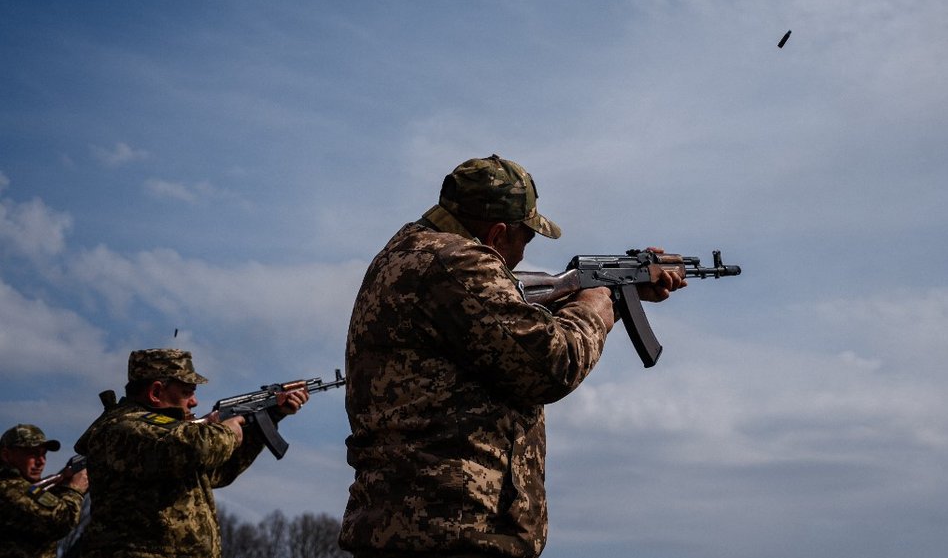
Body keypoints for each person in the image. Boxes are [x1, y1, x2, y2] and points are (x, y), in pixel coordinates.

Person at [339, 154, 685, 558]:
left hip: (415, 523)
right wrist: (595, 306)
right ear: (498, 233)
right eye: (527, 238)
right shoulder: (458, 262)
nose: (522, 254)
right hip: (452, 528)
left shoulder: (409, 254)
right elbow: (552, 364)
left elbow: (495, 334)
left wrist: (617, 288)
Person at [74, 348, 309, 558]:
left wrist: (269, 417)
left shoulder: (165, 433)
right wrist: (224, 431)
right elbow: (193, 448)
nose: (194, 402)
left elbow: (219, 472)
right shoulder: (122, 427)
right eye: (187, 391)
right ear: (156, 392)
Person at [0, 423, 88, 558]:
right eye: (32, 454)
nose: (41, 461)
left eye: (43, 454)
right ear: (6, 455)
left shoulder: (24, 489)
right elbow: (62, 520)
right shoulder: (9, 489)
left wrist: (62, 485)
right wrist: (75, 489)